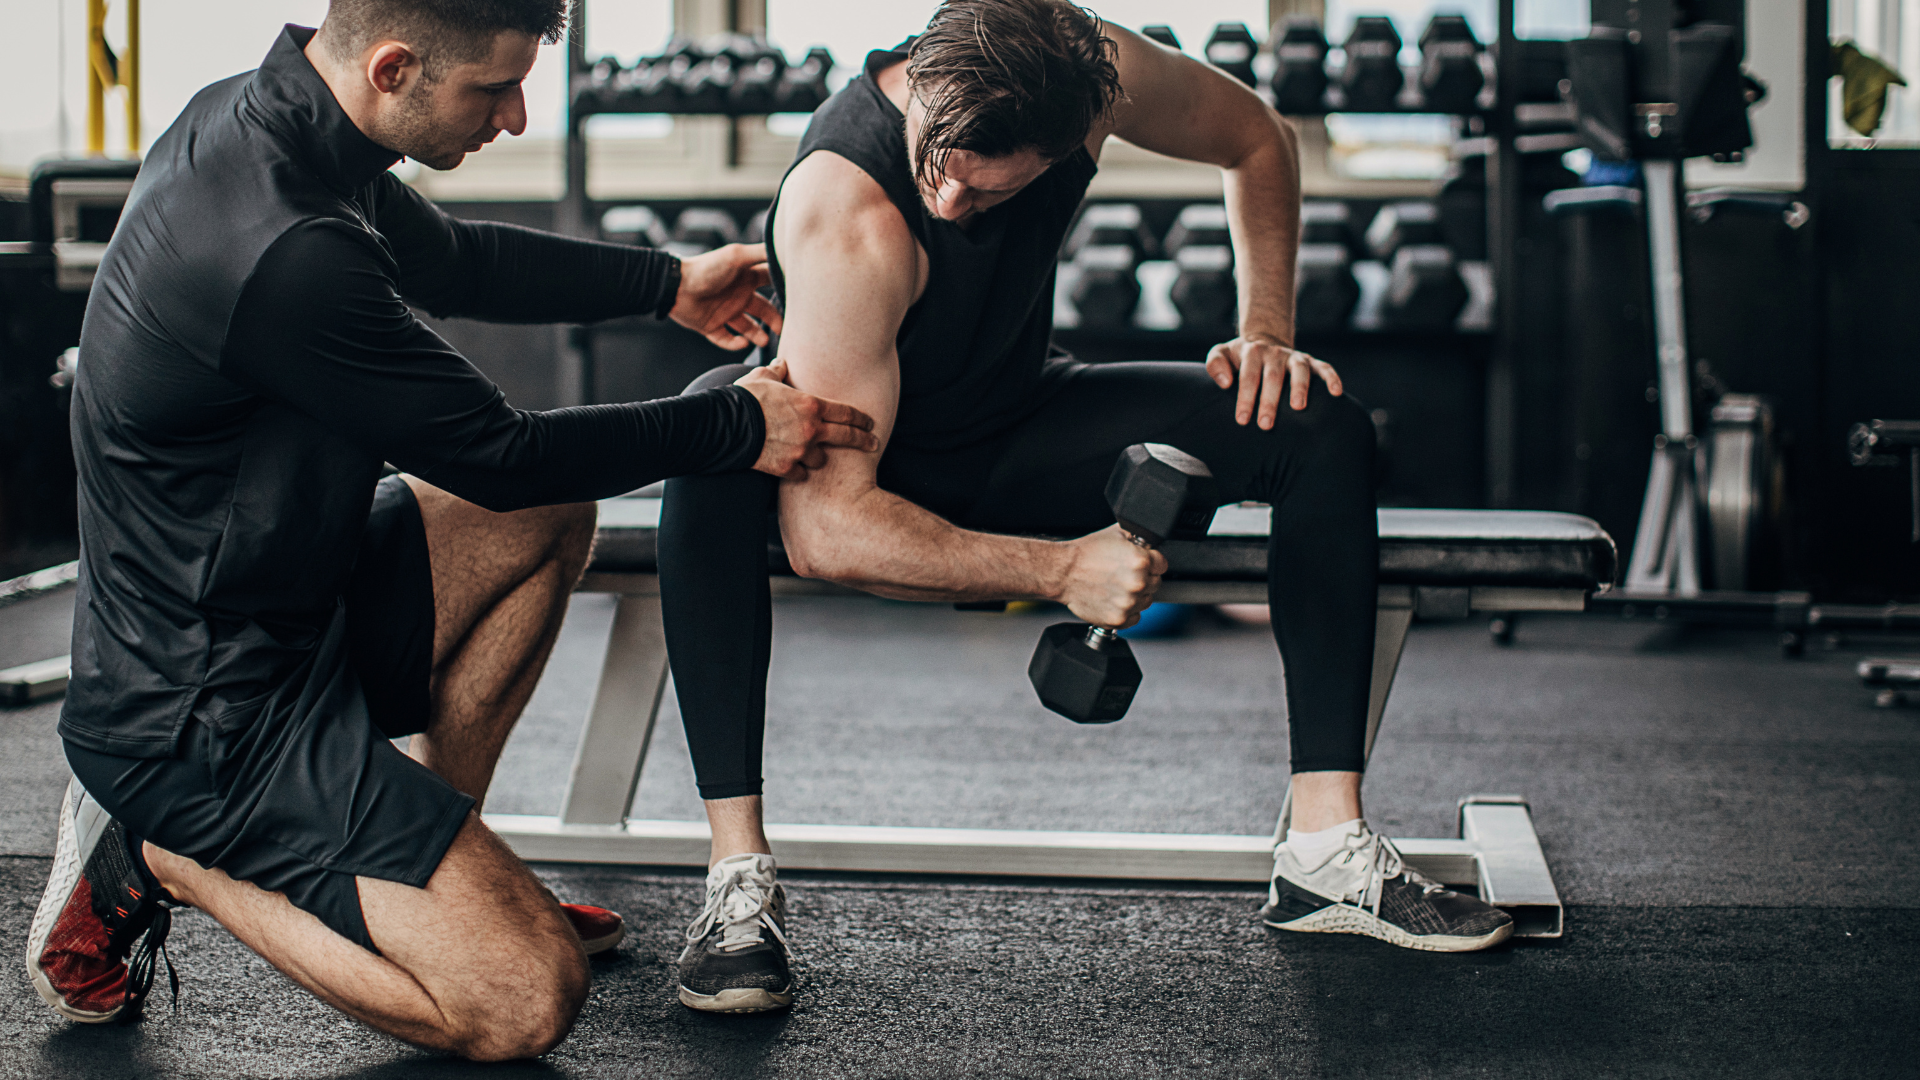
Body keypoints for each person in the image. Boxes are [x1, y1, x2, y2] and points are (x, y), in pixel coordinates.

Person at [25, 0, 877, 1061]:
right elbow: (496, 453)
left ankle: (441, 866)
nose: (518, 116)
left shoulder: (281, 130)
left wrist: (668, 285)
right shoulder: (283, 251)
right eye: (494, 89)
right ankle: (159, 854)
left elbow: (461, 265)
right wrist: (733, 421)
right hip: (204, 716)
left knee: (546, 517)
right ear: (394, 67)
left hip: (292, 600)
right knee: (522, 1000)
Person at [657, 0, 1516, 1014]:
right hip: (855, 465)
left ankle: (1326, 850)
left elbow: (1256, 137)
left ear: (1080, 137)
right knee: (709, 432)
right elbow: (828, 533)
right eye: (937, 161)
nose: (947, 200)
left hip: (1019, 419)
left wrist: (1267, 328)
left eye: (984, 192)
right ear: (928, 83)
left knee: (1317, 422)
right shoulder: (847, 214)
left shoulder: (1099, 68)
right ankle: (737, 884)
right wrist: (1065, 570)